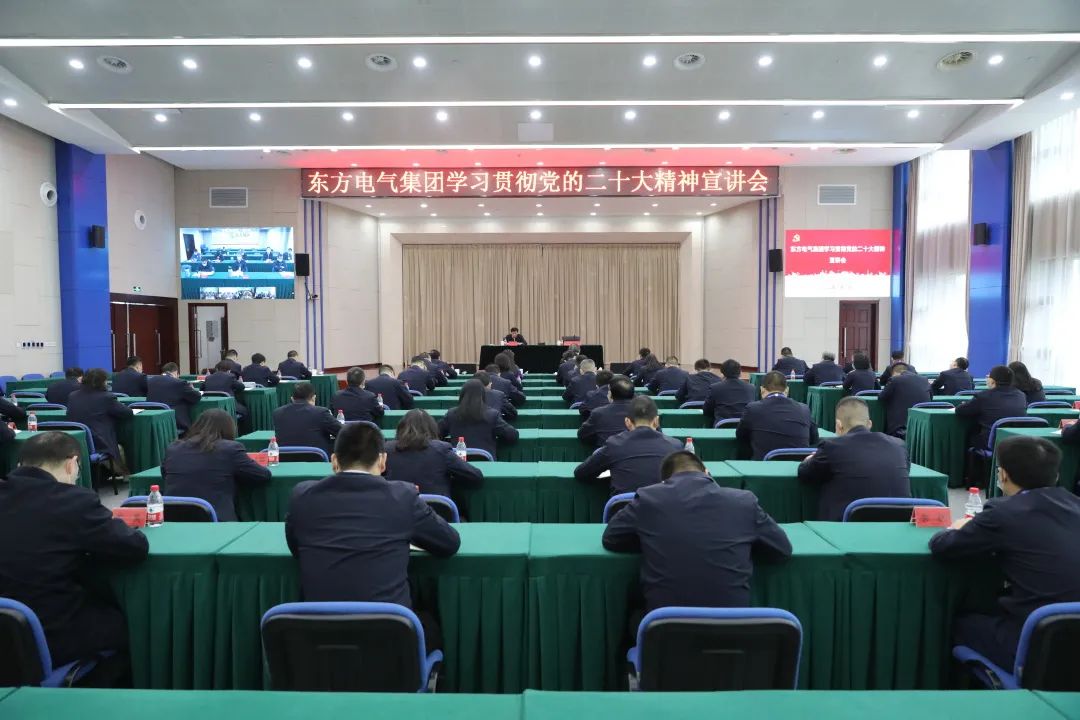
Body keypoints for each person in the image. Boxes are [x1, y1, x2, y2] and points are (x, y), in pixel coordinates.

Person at [285, 422, 460, 649]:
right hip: (389, 640)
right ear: (383, 461)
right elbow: (449, 543)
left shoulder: (302, 496)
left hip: (317, 637)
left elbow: (296, 548)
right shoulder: (403, 496)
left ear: (334, 461)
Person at [929, 436, 1080, 671]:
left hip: (1037, 644)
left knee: (957, 623)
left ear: (1003, 475)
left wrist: (956, 527)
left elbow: (943, 546)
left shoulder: (1003, 512)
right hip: (1069, 637)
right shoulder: (1075, 504)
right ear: (1056, 475)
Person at [0, 432, 148, 668]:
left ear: (20, 464)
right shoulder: (73, 500)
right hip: (49, 632)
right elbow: (134, 547)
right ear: (72, 464)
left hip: (8, 627)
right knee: (136, 624)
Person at [602, 451, 792, 612]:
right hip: (733, 631)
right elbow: (782, 549)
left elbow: (611, 538)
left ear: (664, 481)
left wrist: (648, 539)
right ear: (707, 473)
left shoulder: (649, 498)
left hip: (667, 631)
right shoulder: (744, 501)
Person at [797, 397, 911, 521]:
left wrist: (809, 459)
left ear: (839, 425)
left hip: (846, 528)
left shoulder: (832, 447)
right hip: (898, 525)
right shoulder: (899, 445)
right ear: (869, 424)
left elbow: (805, 473)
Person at [161, 409, 271, 521]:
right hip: (215, 520)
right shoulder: (231, 449)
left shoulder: (173, 448)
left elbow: (164, 474)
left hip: (171, 518)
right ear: (228, 428)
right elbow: (262, 475)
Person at [575, 396, 683, 495]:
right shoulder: (675, 446)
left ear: (627, 422)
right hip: (663, 508)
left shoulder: (614, 444)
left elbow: (581, 473)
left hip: (624, 509)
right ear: (657, 421)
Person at [384, 409, 484, 497]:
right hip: (436, 511)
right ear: (432, 428)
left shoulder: (387, 449)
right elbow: (475, 476)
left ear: (401, 428)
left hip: (397, 509)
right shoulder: (441, 449)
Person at [736, 372, 819, 460]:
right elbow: (814, 439)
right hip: (798, 466)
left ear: (762, 389)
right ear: (787, 390)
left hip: (763, 466)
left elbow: (741, 436)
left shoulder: (752, 409)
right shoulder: (804, 409)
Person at [66, 368, 133, 470]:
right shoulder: (106, 397)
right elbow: (127, 413)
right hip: (99, 442)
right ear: (102, 382)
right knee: (122, 448)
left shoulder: (72, 396)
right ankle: (126, 475)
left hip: (76, 441)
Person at [955, 365, 1029, 451]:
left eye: (988, 376)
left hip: (992, 442)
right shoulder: (1021, 395)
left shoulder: (984, 396)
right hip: (1017, 441)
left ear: (992, 381)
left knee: (969, 436)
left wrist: (965, 404)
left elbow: (960, 410)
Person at [437, 379, 518, 458]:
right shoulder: (492, 415)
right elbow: (512, 435)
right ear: (483, 395)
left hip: (458, 462)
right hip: (486, 462)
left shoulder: (451, 414)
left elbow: (437, 433)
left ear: (462, 394)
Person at [273, 382, 339, 457]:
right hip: (316, 460)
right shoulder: (321, 412)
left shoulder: (277, 413)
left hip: (284, 460)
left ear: (292, 398)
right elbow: (341, 431)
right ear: (313, 398)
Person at [578, 374, 636, 448]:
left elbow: (582, 434)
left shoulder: (598, 413)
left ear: (610, 393)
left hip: (607, 453)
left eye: (608, 390)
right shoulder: (642, 412)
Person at [877, 363, 932, 438]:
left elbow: (881, 397)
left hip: (899, 429)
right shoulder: (924, 379)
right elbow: (931, 397)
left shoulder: (895, 380)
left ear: (895, 373)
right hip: (922, 428)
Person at [147, 363, 203, 433]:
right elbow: (196, 397)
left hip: (154, 423)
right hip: (175, 423)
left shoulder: (151, 381)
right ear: (176, 372)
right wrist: (192, 389)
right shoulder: (179, 383)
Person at [703, 359, 756, 425]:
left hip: (722, 427)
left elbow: (707, 411)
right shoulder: (751, 388)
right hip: (744, 426)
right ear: (740, 372)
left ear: (722, 373)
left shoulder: (715, 388)